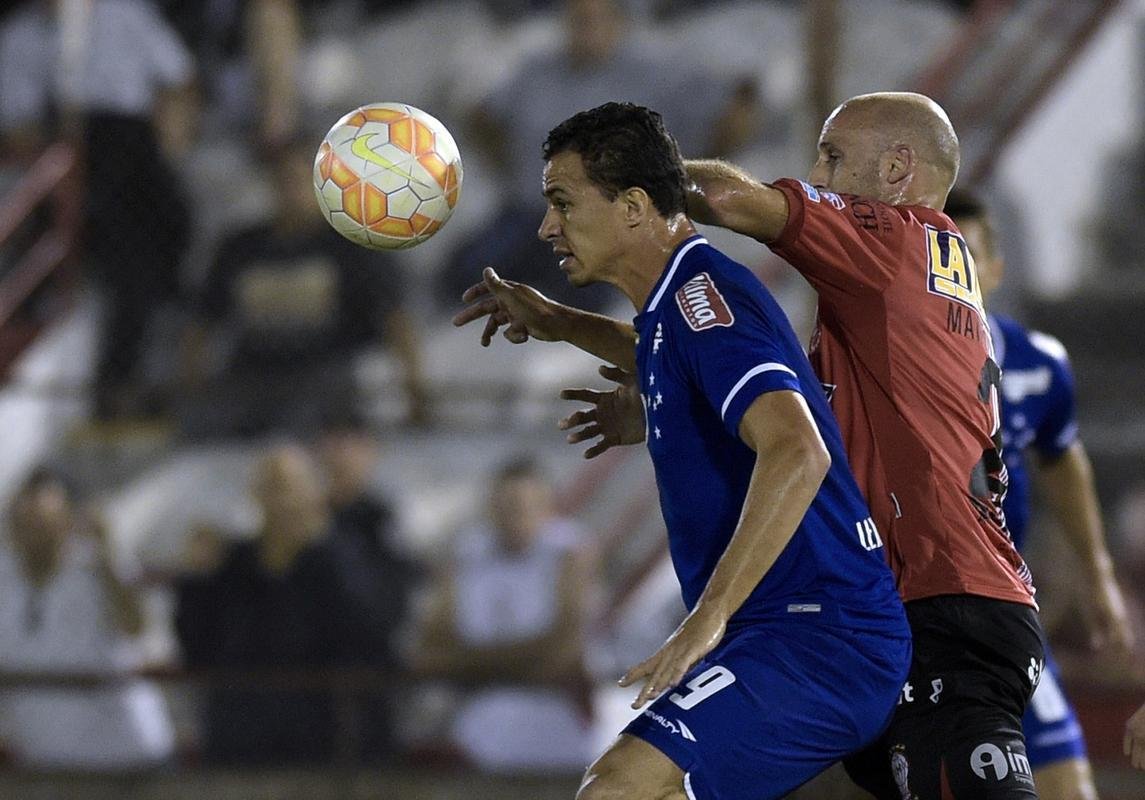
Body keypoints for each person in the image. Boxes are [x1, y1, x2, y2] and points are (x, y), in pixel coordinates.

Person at [457, 92, 1046, 799]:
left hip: (928, 598)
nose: (815, 175)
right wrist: (621, 366)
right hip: (919, 596)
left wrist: (633, 171)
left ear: (896, 170)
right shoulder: (903, 295)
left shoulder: (889, 244)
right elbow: (716, 356)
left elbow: (731, 206)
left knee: (625, 787)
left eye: (831, 157)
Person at [944, 188, 1135, 800]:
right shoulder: (877, 363)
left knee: (1068, 788)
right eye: (942, 260)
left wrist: (1095, 569)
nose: (957, 278)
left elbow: (1061, 457)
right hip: (905, 615)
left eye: (970, 259)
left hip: (1003, 621)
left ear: (997, 268)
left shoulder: (1038, 364)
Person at [437, 0, 761, 311]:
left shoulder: (656, 71)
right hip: (526, 214)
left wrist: (686, 179)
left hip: (601, 222)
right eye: (577, 19)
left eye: (594, 18)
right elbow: (482, 116)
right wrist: (508, 166)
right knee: (462, 279)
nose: (584, 29)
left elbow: (735, 106)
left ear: (619, 20)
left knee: (581, 296)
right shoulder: (538, 70)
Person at [0, 0, 198, 420]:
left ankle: (151, 336)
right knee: (116, 247)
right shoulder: (19, 38)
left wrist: (172, 145)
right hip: (63, 158)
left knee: (165, 223)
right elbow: (17, 127)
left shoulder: (124, 14)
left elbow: (178, 80)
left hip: (129, 147)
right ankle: (116, 376)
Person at [179, 137, 430, 437]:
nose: (291, 190)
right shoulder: (241, 248)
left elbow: (395, 320)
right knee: (200, 426)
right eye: (283, 180)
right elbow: (203, 322)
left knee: (302, 423)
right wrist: (188, 385)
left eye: (300, 180)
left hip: (324, 372)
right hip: (252, 372)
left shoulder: (353, 248)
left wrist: (415, 391)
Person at [173, 443, 390, 765]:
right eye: (269, 487)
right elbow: (196, 646)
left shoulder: (342, 560)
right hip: (241, 738)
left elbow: (368, 637)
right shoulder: (234, 565)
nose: (280, 500)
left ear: (315, 493)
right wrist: (195, 581)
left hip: (321, 739)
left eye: (288, 487)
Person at [413, 455, 597, 772]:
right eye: (507, 506)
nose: (517, 517)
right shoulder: (466, 556)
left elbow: (563, 654)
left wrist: (472, 665)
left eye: (528, 507)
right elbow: (428, 654)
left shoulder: (567, 555)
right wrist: (525, 661)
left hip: (553, 725)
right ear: (491, 509)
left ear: (547, 509)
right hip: (474, 724)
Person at [0, 467, 174, 770]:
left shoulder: (97, 566)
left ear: (67, 521)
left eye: (43, 521)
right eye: (23, 519)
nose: (32, 530)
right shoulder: (5, 576)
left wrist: (109, 551)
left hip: (125, 760)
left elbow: (136, 626)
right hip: (44, 763)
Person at [1127, 702, 1145, 769]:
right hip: (1138, 731)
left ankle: (1138, 764)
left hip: (1137, 730)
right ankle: (1137, 764)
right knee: (1139, 747)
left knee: (1139, 748)